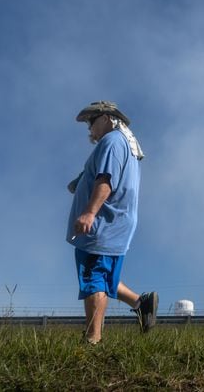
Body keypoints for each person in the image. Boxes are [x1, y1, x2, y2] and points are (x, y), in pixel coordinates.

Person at [66, 100, 157, 344]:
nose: (89, 128)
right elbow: (101, 173)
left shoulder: (112, 141)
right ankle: (141, 303)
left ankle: (92, 341)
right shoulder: (123, 143)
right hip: (115, 222)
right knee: (104, 275)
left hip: (102, 223)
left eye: (91, 121)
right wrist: (80, 181)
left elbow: (106, 179)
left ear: (107, 117)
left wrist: (89, 213)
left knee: (93, 277)